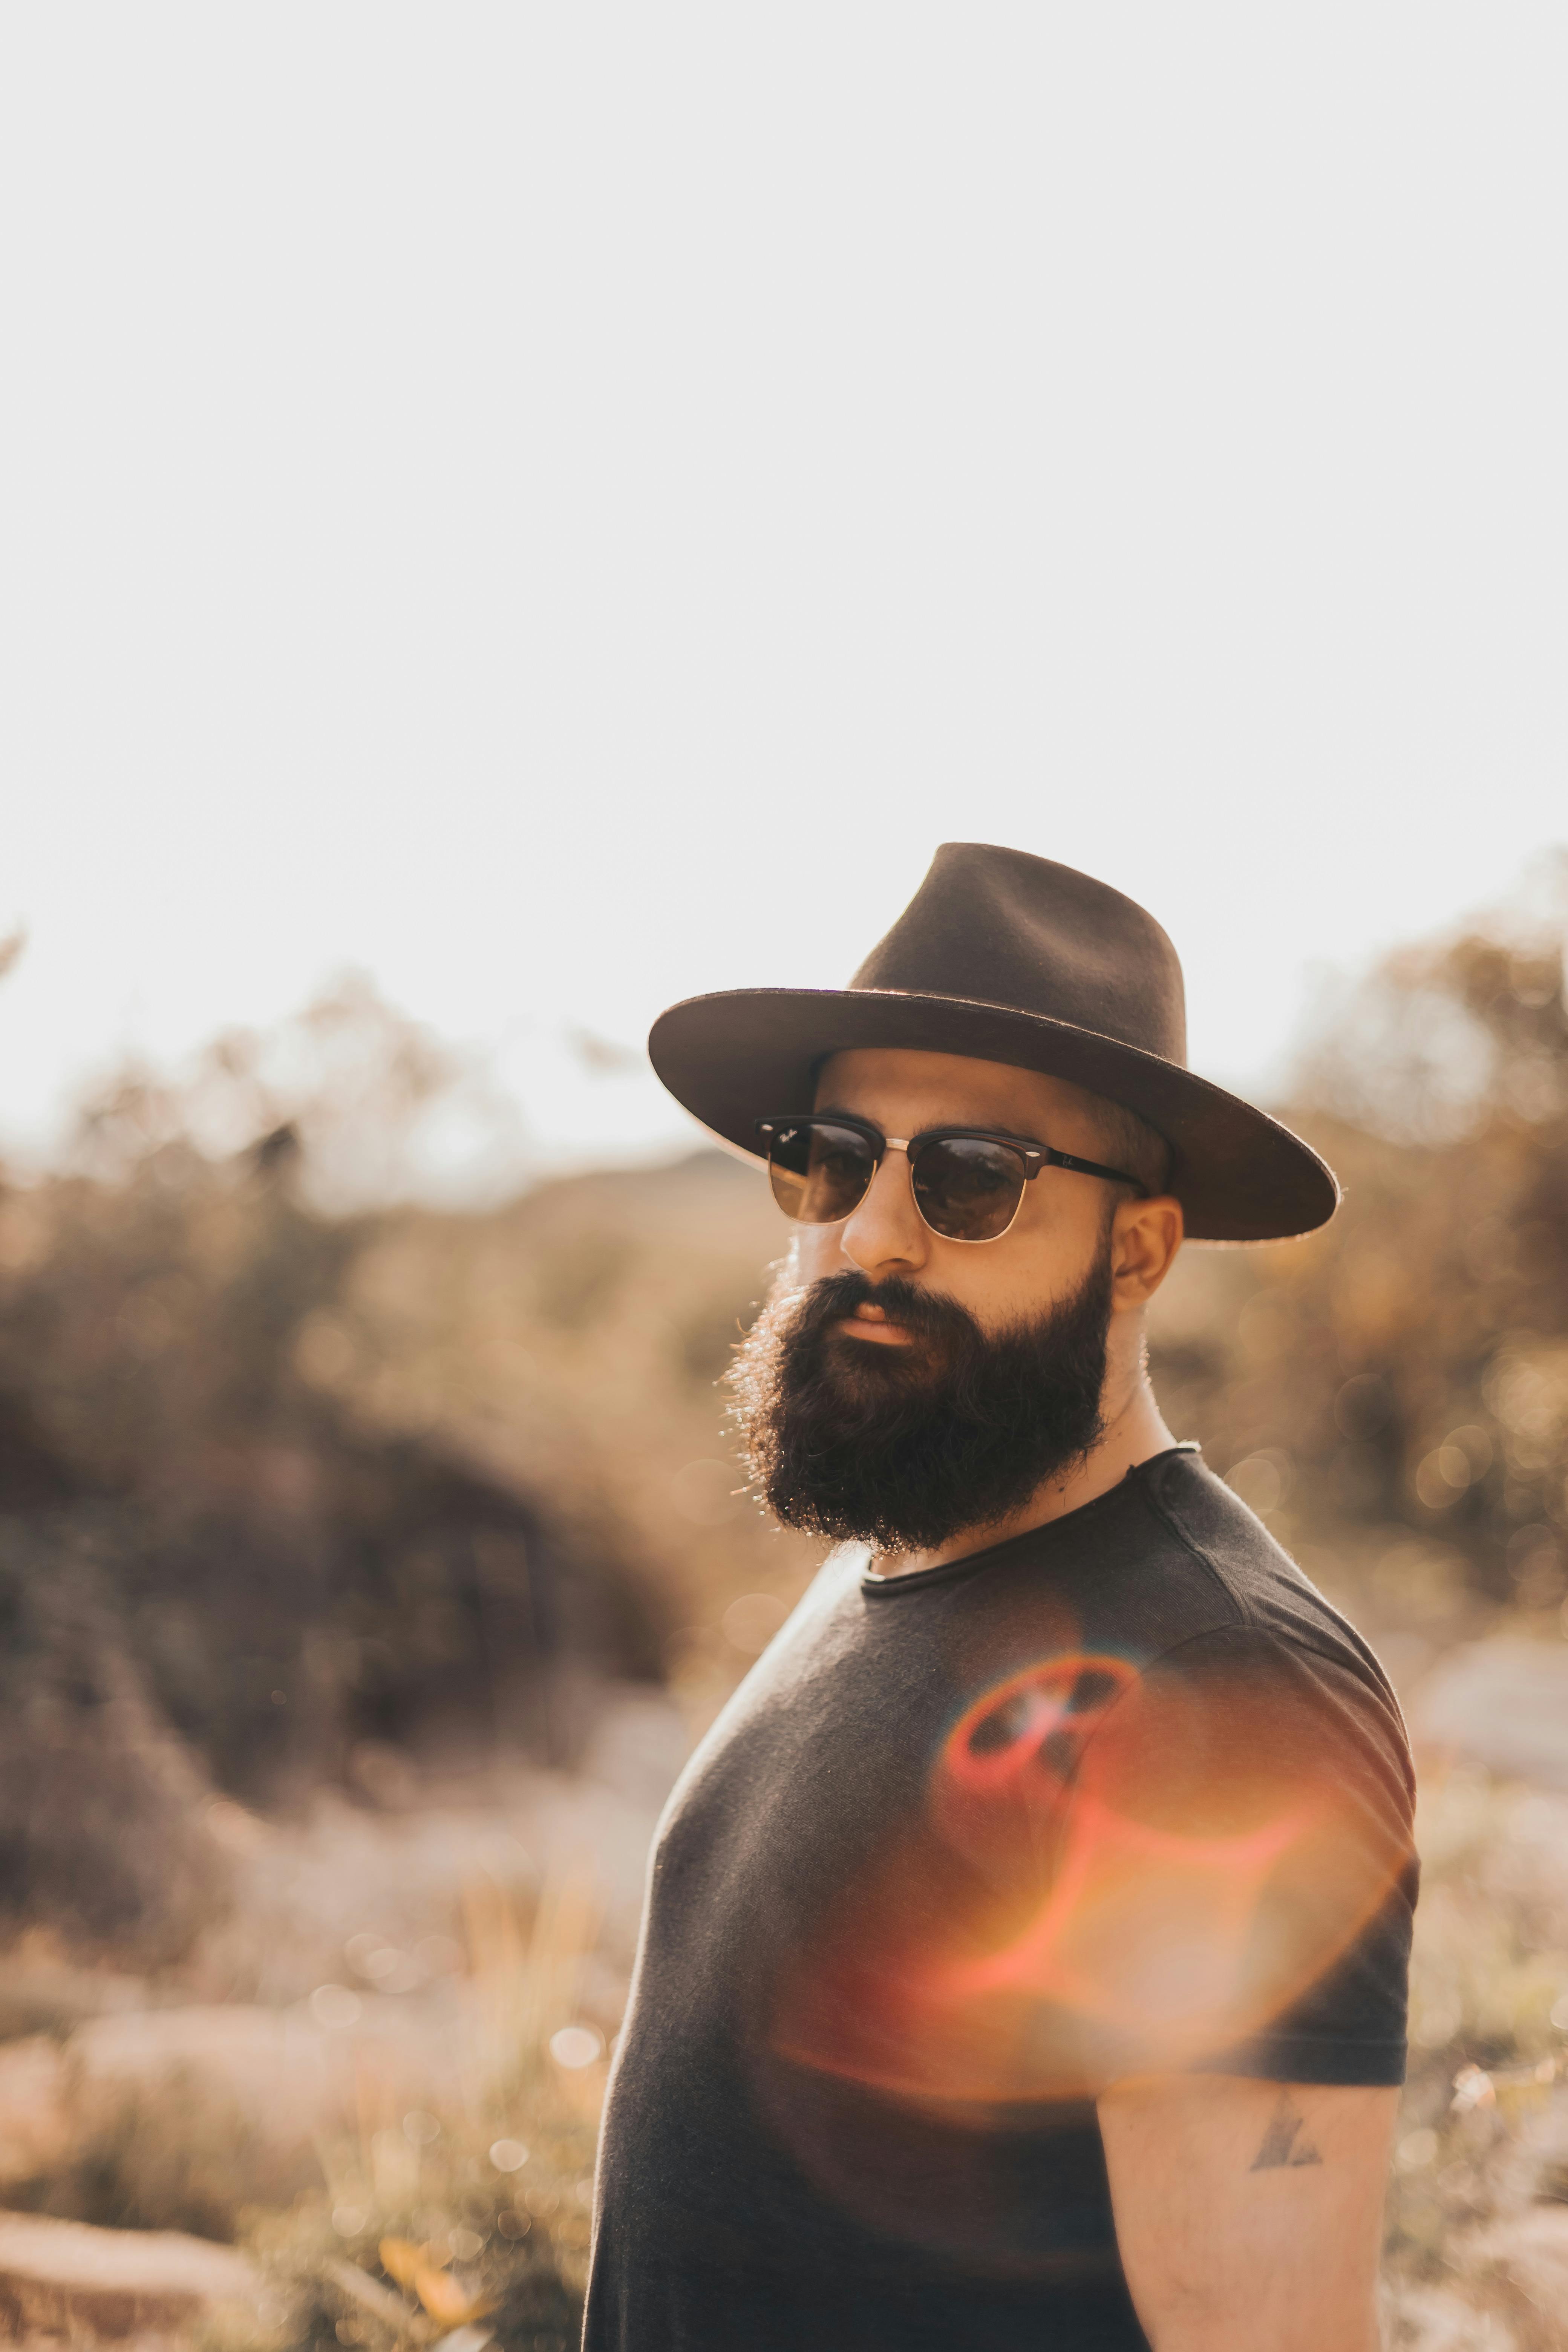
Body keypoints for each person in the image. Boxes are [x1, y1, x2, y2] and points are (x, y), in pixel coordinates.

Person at [583, 844, 1416, 2352]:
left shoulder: (1215, 1687)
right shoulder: (892, 1551)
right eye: (833, 1159)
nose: (871, 1235)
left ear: (1139, 1249)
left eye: (974, 1179)